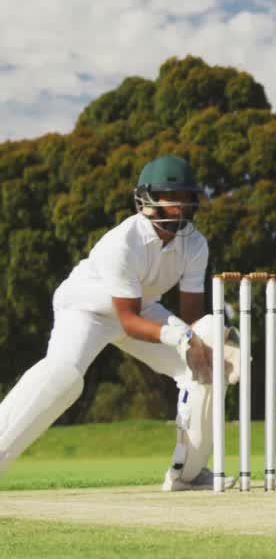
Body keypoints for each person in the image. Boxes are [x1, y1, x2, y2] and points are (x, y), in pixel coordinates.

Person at [0, 156, 238, 491]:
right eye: (173, 197)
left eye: (187, 197)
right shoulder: (123, 241)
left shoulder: (195, 244)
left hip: (143, 308)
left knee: (202, 364)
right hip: (86, 309)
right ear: (147, 199)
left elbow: (191, 318)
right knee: (62, 377)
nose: (182, 205)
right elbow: (127, 321)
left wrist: (218, 341)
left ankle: (187, 473)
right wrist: (182, 336)